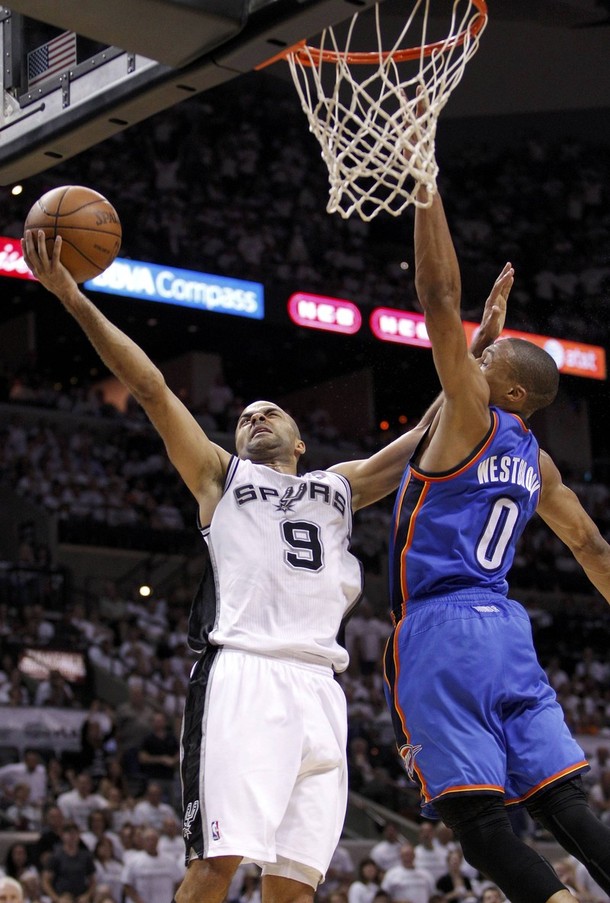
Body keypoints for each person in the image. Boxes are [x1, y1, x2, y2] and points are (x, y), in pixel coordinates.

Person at [22, 228, 506, 903]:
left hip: (320, 690)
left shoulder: (336, 486)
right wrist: (73, 297)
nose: (254, 417)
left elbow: (422, 438)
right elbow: (153, 388)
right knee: (215, 864)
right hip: (243, 674)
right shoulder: (219, 478)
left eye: (269, 411)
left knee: (292, 886)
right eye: (246, 414)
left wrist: (471, 350)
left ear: (299, 440)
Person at [382, 142, 610, 903]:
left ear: (503, 385)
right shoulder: (536, 458)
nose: (474, 362)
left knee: (479, 821)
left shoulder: (472, 416)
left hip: (442, 627)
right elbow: (591, 545)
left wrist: (424, 178)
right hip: (509, 630)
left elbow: (437, 299)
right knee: (563, 800)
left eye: (488, 360)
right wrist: (486, 341)